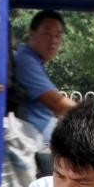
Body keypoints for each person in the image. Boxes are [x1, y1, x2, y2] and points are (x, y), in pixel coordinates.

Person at [14, 10, 78, 143]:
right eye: (47, 34)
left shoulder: (33, 61)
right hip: (41, 145)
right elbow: (57, 103)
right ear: (32, 34)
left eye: (58, 35)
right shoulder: (26, 62)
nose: (53, 41)